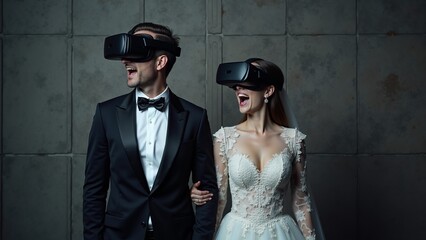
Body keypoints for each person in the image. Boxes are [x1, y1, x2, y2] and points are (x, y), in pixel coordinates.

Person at [83, 22, 218, 240]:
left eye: (136, 53)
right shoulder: (106, 114)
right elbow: (93, 188)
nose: (126, 60)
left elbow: (208, 189)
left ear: (160, 62)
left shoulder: (195, 117)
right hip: (119, 235)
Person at [191, 58, 316, 239]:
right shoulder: (225, 138)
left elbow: (301, 201)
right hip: (234, 232)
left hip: (279, 232)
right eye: (236, 86)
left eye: (246, 84)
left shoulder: (293, 140)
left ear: (268, 90)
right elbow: (218, 199)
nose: (238, 89)